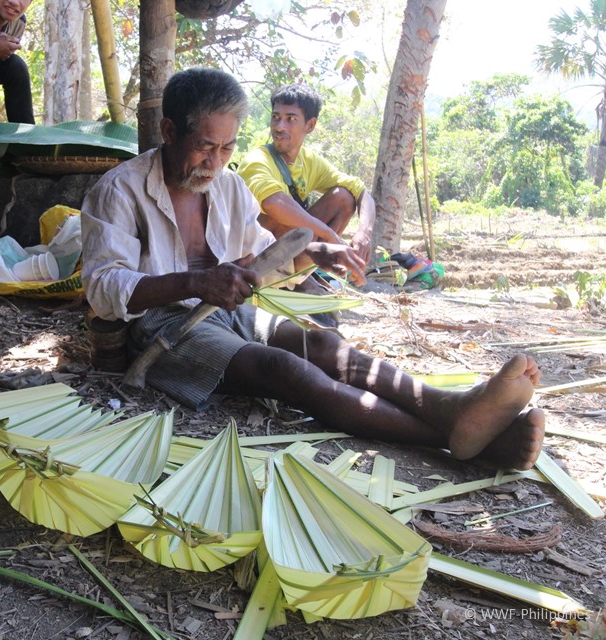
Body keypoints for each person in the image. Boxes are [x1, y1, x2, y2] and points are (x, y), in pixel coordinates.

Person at [81, 67, 544, 471]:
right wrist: (197, 281)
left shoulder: (228, 187)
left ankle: (447, 406)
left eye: (226, 148)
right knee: (286, 371)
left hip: (223, 311)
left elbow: (264, 255)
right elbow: (102, 286)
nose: (215, 162)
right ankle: (459, 439)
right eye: (205, 147)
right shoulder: (121, 190)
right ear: (168, 131)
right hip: (161, 327)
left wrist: (314, 256)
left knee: (324, 344)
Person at [237, 83, 376, 274]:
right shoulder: (257, 160)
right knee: (278, 215)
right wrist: (329, 236)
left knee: (343, 197)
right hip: (248, 257)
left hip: (291, 252)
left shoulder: (310, 161)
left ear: (310, 125)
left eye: (290, 119)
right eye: (276, 118)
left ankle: (298, 276)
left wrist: (365, 233)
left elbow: (361, 192)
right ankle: (277, 277)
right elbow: (273, 203)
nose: (279, 127)